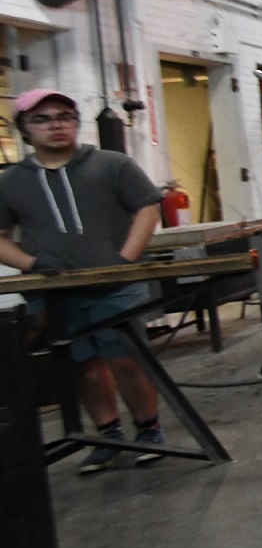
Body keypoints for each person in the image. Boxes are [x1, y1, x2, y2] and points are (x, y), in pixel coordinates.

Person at [0, 89, 167, 474]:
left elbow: (147, 207)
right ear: (24, 129)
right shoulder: (11, 182)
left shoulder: (112, 164)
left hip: (115, 285)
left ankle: (149, 429)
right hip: (56, 291)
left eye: (65, 116)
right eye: (42, 119)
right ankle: (107, 434)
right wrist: (32, 264)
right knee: (83, 364)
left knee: (125, 358)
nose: (56, 125)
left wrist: (125, 260)